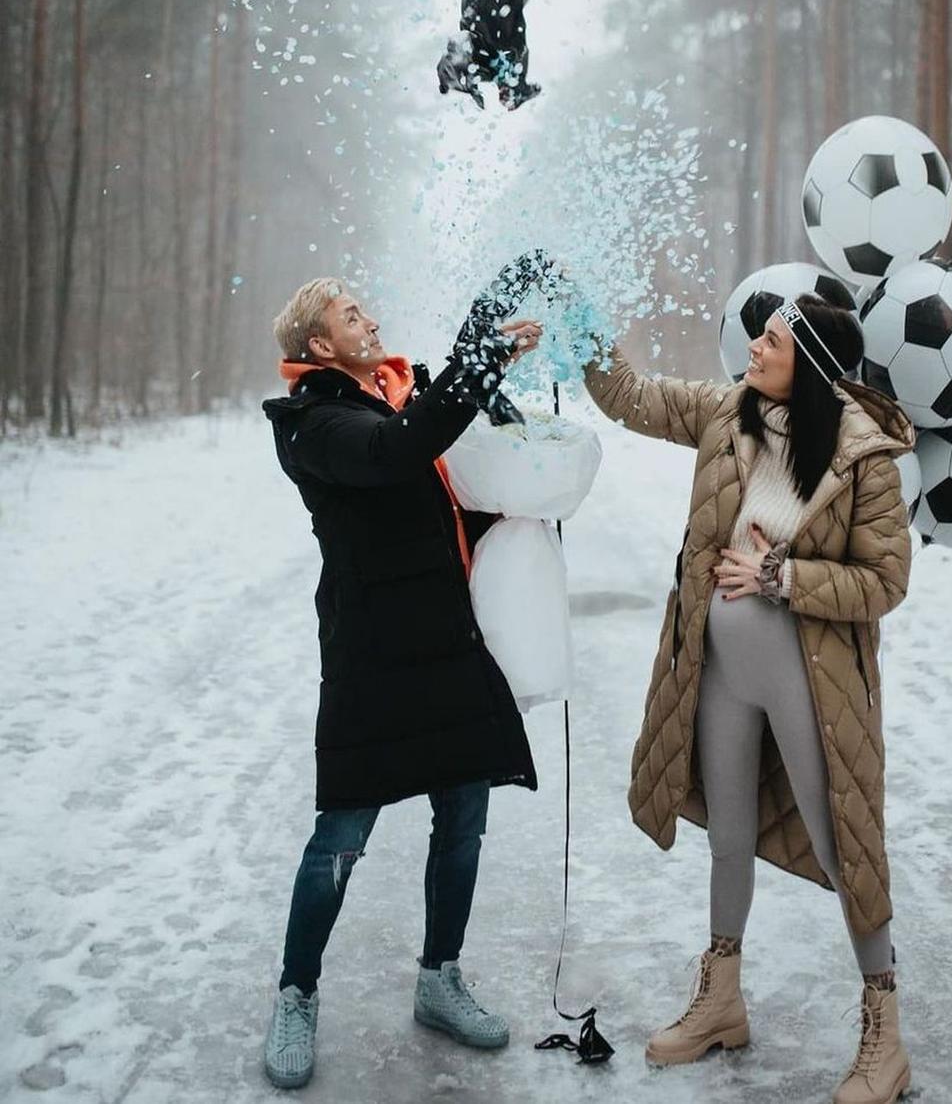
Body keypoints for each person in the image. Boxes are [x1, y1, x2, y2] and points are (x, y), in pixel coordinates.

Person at [584, 293, 915, 1104]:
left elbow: (886, 581)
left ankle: (886, 1035)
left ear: (807, 363)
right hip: (719, 670)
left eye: (770, 341)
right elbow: (631, 397)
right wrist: (583, 327)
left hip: (810, 679)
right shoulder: (729, 411)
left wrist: (779, 576)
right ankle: (721, 999)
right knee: (728, 835)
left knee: (846, 848)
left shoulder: (861, 457)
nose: (754, 350)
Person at [260, 277, 542, 1089]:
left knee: (463, 821)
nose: (372, 319)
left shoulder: (388, 399)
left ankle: (439, 978)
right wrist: (479, 360)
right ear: (319, 346)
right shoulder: (314, 425)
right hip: (374, 658)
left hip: (447, 641)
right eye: (352, 316)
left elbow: (435, 485)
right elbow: (396, 456)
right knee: (340, 837)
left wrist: (524, 496)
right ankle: (296, 992)